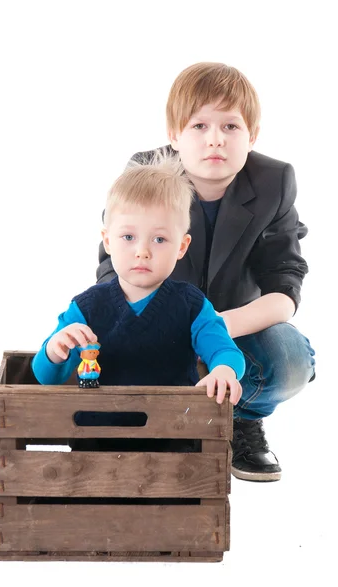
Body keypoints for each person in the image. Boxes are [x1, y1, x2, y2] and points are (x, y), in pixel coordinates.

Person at [97, 62, 316, 483]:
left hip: (233, 327)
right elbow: (112, 272)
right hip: (156, 324)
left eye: (231, 127)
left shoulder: (275, 181)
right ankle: (171, 426)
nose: (215, 138)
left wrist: (213, 327)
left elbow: (285, 285)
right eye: (199, 125)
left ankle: (241, 417)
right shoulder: (144, 174)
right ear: (174, 135)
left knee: (290, 358)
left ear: (252, 136)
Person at [32, 153, 245, 408]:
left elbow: (224, 349)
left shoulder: (192, 306)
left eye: (159, 239)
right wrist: (55, 350)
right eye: (128, 237)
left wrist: (224, 370)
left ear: (181, 247)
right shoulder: (87, 307)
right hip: (99, 437)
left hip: (174, 433)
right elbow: (46, 377)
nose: (142, 251)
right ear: (108, 241)